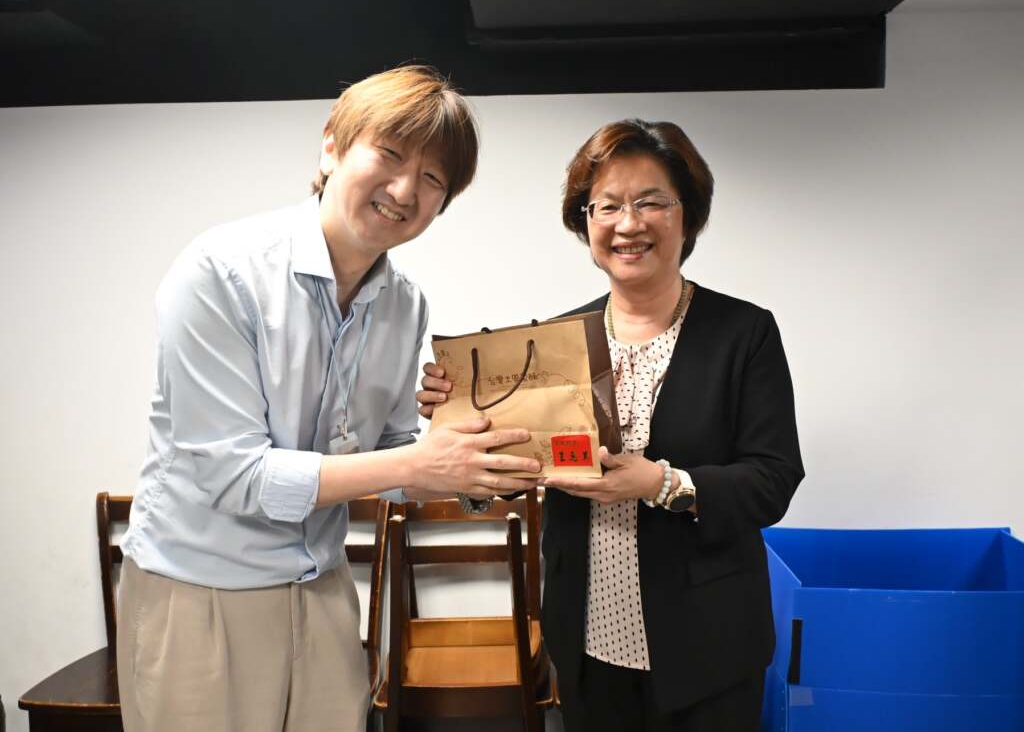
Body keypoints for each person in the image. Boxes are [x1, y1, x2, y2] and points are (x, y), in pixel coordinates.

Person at [116, 65, 541, 732]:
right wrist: (416, 463)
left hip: (323, 587)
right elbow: (234, 475)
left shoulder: (404, 303)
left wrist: (454, 443)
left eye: (433, 178)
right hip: (202, 593)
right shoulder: (221, 272)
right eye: (390, 154)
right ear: (331, 147)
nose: (405, 190)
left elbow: (390, 454)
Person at [418, 118, 804, 731]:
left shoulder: (744, 332)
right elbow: (515, 472)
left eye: (651, 202)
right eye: (608, 205)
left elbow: (773, 478)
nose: (629, 223)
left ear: (688, 215)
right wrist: (460, 426)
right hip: (588, 639)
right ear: (586, 221)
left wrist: (660, 483)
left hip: (709, 644)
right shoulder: (556, 340)